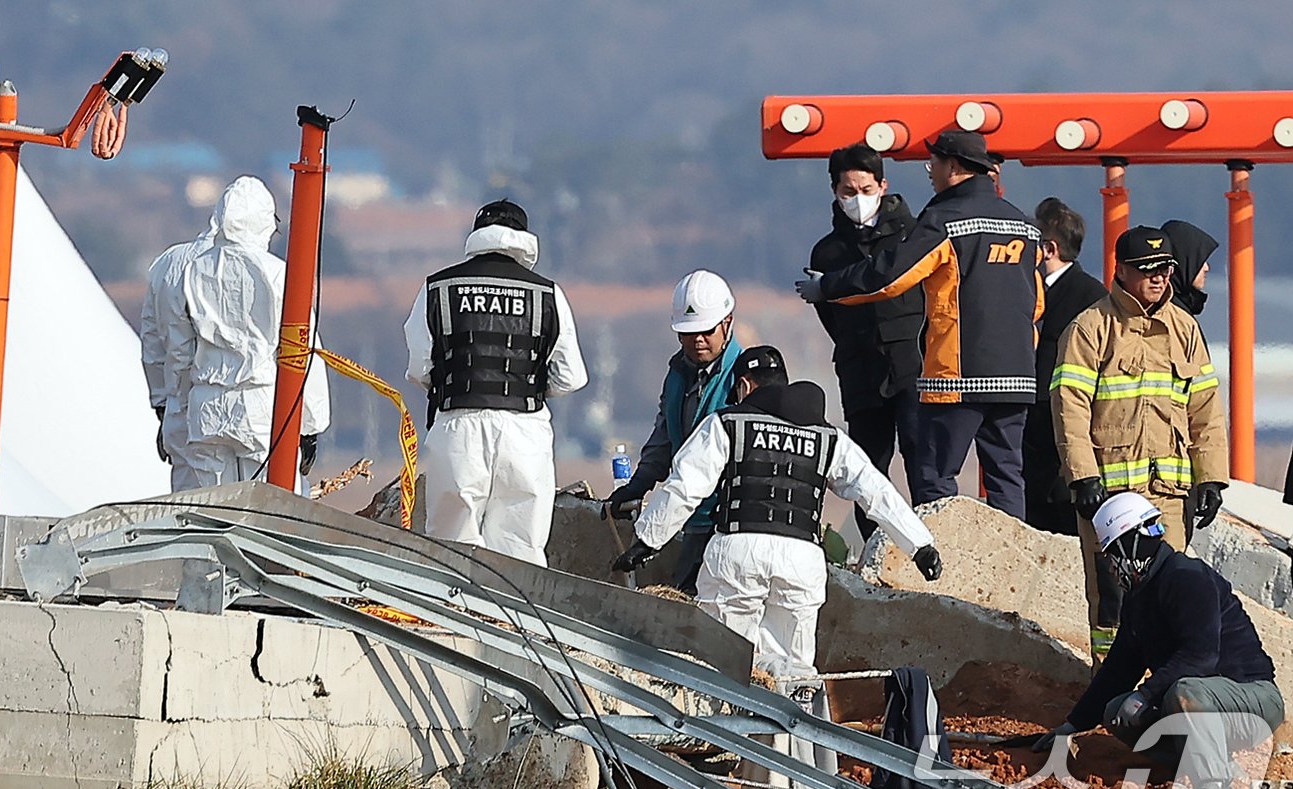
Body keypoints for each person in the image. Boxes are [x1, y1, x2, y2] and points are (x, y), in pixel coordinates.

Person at [612, 345, 940, 677]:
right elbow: (875, 490)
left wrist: (647, 541)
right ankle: (794, 727)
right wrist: (920, 546)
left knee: (723, 664)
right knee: (795, 673)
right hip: (801, 561)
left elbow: (685, 487)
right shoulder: (828, 437)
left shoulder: (728, 423)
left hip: (737, 553)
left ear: (743, 385)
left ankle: (726, 728)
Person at [800, 130, 1044, 520]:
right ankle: (1005, 569)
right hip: (1016, 374)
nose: (931, 171)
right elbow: (1035, 304)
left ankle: (937, 572)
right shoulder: (1024, 225)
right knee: (1006, 477)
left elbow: (891, 277)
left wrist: (827, 286)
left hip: (956, 375)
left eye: (935, 163)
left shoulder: (943, 221)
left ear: (954, 167)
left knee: (934, 478)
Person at [1035, 492, 1283, 789]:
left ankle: (1214, 787)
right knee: (1115, 712)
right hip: (1204, 705)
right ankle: (1198, 765)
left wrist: (1145, 695)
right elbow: (1119, 669)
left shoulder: (1186, 578)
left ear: (1131, 545)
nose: (1111, 567)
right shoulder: (1140, 599)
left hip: (1251, 700)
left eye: (1113, 555)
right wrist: (1074, 723)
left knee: (1184, 692)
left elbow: (1200, 656)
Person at [1052, 225, 1228, 630]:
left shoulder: (1185, 329)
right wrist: (1082, 478)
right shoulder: (1090, 328)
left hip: (1170, 496)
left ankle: (1161, 691)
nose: (1159, 277)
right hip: (1110, 500)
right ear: (1122, 271)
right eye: (1147, 268)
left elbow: (1206, 410)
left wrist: (1212, 479)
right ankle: (1108, 691)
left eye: (1165, 268)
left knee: (1171, 602)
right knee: (1112, 606)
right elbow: (1069, 408)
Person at [403, 199, 587, 566]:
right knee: (521, 549)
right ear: (525, 239)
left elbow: (419, 368)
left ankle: (451, 619)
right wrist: (523, 384)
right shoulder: (547, 293)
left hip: (457, 425)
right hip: (524, 428)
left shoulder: (438, 287)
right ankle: (514, 621)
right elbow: (570, 376)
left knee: (451, 547)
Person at [163, 175, 331, 490]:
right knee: (273, 512)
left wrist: (178, 410)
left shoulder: (190, 271)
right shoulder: (277, 273)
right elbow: (305, 351)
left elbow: (178, 352)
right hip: (260, 405)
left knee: (214, 512)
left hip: (207, 409)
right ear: (265, 222)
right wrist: (310, 425)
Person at [796, 143, 923, 543]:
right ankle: (876, 550)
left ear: (883, 186)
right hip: (860, 371)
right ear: (834, 191)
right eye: (847, 192)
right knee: (868, 471)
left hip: (914, 366)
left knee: (924, 464)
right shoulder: (828, 252)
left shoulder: (914, 236)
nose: (857, 200)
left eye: (865, 190)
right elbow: (830, 314)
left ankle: (931, 544)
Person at [604, 270, 742, 593]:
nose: (697, 340)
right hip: (691, 521)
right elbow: (665, 436)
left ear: (727, 322)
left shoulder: (745, 376)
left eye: (706, 331)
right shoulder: (678, 373)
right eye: (687, 333)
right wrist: (639, 483)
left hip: (728, 524)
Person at [1023, 198, 1107, 537]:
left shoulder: (1088, 297)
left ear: (1048, 248)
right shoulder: (1033, 289)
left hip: (1060, 424)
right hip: (1032, 423)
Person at [141, 232, 211, 492]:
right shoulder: (267, 269)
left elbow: (152, 341)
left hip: (178, 407)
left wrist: (162, 404)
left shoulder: (167, 263)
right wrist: (308, 425)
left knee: (186, 510)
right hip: (247, 411)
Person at [1161, 219, 1220, 318]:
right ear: (1183, 262)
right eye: (1199, 261)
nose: (1207, 268)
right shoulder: (1170, 315)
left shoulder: (1179, 309)